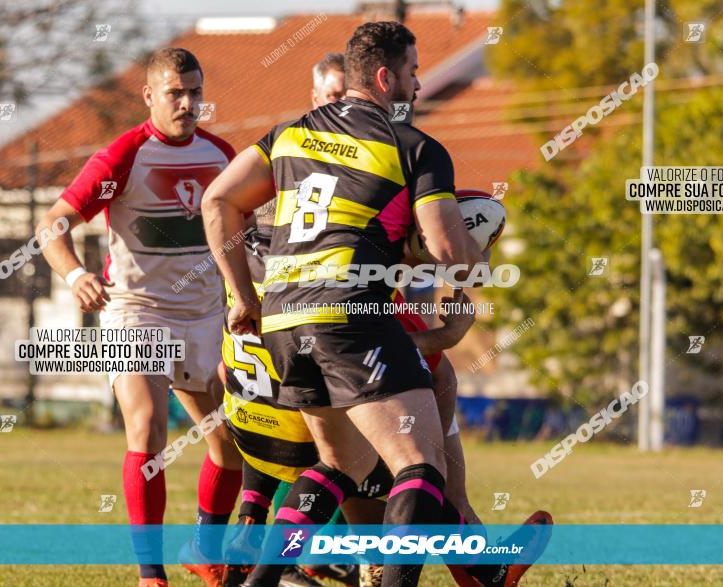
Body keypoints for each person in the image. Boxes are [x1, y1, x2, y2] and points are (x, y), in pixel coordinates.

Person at [203, 20, 551, 586]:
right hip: (349, 313)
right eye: (412, 73)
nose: (417, 86)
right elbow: (445, 248)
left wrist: (244, 297)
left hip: (285, 320)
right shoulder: (415, 147)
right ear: (387, 77)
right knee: (419, 464)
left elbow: (218, 199)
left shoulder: (288, 135)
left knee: (340, 466)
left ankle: (262, 582)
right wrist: (474, 256)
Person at [36, 48, 242, 587]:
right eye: (176, 92)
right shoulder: (124, 155)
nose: (188, 102)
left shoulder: (222, 155)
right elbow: (54, 223)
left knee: (231, 450)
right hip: (137, 312)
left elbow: (251, 232)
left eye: (195, 91)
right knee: (147, 429)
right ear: (149, 95)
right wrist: (74, 274)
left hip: (205, 317)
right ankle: (151, 574)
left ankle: (205, 548)